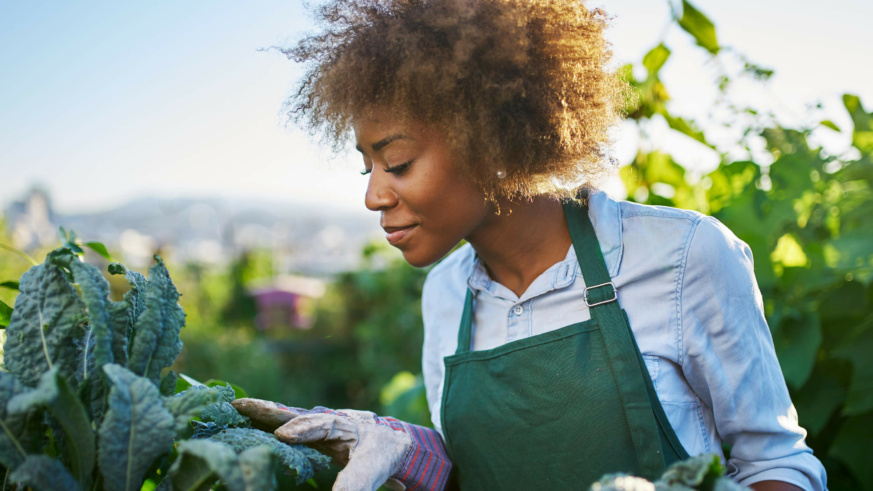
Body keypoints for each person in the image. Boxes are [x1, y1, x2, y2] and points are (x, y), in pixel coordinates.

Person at [234, 0, 827, 489]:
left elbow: (778, 466)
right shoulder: (445, 294)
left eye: (398, 162)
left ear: (491, 139)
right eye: (367, 167)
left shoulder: (682, 257)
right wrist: (406, 452)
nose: (374, 196)